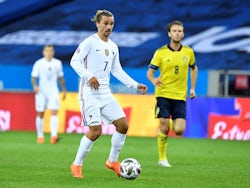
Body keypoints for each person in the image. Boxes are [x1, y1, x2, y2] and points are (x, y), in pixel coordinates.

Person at [70, 9, 148, 179]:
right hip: (89, 93)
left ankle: (112, 161)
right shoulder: (89, 42)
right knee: (95, 131)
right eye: (105, 23)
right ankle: (77, 164)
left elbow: (117, 70)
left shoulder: (113, 46)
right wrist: (89, 76)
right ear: (97, 23)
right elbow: (74, 61)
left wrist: (135, 85)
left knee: (123, 125)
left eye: (111, 23)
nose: (108, 27)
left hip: (105, 93)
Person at [147, 20, 198, 167]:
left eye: (180, 31)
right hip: (163, 93)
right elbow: (150, 72)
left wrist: (192, 88)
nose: (177, 33)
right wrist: (153, 80)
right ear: (169, 33)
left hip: (179, 96)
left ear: (183, 33)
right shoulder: (161, 52)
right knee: (163, 127)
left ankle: (168, 122)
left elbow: (194, 68)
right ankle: (162, 159)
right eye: (174, 31)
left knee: (179, 130)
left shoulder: (188, 52)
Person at [31, 45, 66, 144]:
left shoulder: (57, 63)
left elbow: (60, 77)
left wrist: (64, 89)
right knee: (40, 114)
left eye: (51, 51)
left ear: (53, 52)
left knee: (54, 112)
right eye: (47, 51)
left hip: (53, 91)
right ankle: (40, 136)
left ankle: (54, 136)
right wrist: (35, 86)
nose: (49, 53)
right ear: (43, 52)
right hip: (41, 91)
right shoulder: (38, 63)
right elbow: (33, 77)